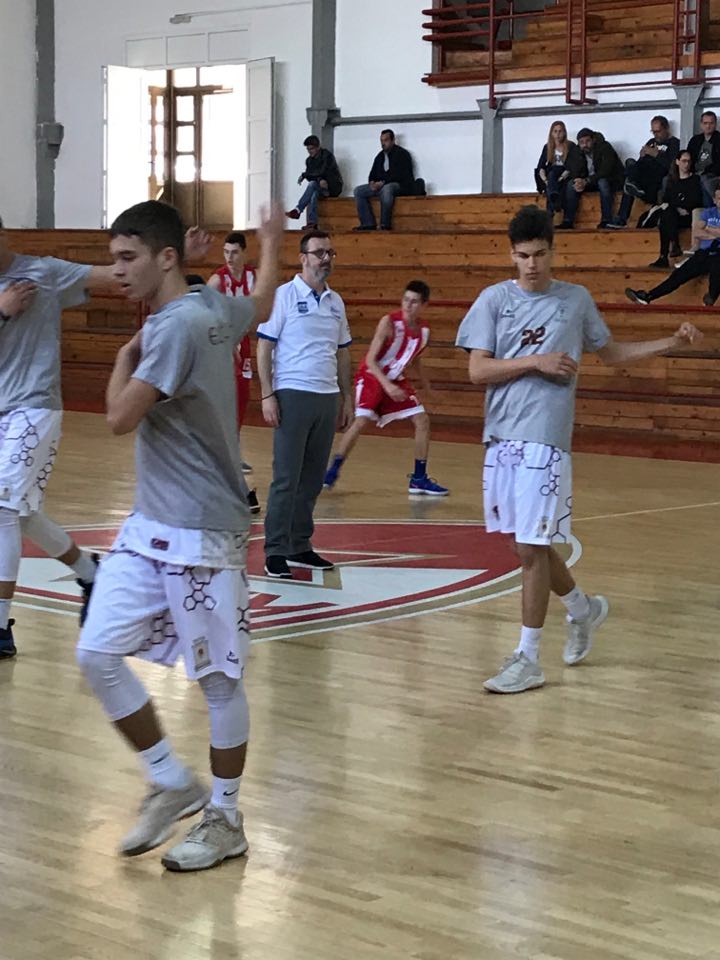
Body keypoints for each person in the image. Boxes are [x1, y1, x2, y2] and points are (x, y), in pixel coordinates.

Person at [76, 199, 282, 872]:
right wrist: (274, 241)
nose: (116, 271)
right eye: (112, 259)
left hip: (202, 531)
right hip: (150, 526)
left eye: (127, 258)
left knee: (218, 683)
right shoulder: (214, 306)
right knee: (97, 653)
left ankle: (226, 817)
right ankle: (170, 780)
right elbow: (262, 301)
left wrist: (122, 356)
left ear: (165, 258)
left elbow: (118, 417)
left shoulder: (173, 329)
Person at [456, 204, 701, 694]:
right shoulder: (493, 300)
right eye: (523, 256)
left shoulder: (575, 299)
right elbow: (477, 371)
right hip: (501, 438)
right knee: (526, 545)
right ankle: (583, 610)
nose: (532, 264)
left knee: (530, 549)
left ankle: (528, 658)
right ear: (511, 255)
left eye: (540, 254)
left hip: (546, 439)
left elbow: (612, 353)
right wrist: (536, 362)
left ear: (553, 251)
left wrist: (669, 343)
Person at [0, 215, 138, 657]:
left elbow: (109, 274)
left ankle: (0, 628)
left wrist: (169, 255)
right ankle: (92, 574)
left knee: (3, 507)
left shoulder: (42, 271)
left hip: (34, 406)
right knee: (22, 514)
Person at [257, 230, 353, 579]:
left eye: (330, 252)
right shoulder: (283, 296)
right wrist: (267, 394)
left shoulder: (335, 302)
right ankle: (275, 549)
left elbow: (342, 353)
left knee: (312, 479)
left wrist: (347, 397)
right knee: (286, 477)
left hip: (326, 397)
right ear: (303, 258)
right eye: (319, 252)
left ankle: (299, 544)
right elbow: (264, 347)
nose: (326, 258)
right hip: (292, 394)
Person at [324, 280, 449, 496]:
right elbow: (371, 360)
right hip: (372, 376)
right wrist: (388, 386)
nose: (408, 305)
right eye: (405, 300)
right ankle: (332, 470)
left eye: (414, 302)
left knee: (422, 420)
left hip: (395, 379)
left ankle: (419, 478)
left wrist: (427, 387)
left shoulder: (424, 332)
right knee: (361, 421)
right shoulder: (389, 322)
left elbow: (415, 359)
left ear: (424, 305)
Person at [207, 231, 261, 513]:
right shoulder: (218, 280)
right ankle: (221, 463)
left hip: (244, 344)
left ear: (244, 253)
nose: (229, 257)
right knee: (224, 405)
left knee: (241, 401)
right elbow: (204, 313)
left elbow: (262, 309)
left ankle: (232, 453)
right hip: (222, 346)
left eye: (234, 252)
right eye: (226, 252)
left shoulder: (253, 277)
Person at [626, 184, 720, 307]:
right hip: (704, 252)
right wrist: (716, 233)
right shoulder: (708, 213)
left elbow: (703, 231)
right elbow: (697, 232)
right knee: (678, 275)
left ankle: (711, 297)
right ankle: (648, 296)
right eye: (718, 198)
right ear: (714, 200)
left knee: (717, 269)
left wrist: (708, 230)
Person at [608, 116, 680, 228]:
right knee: (630, 163)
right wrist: (642, 156)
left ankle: (633, 190)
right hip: (643, 172)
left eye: (658, 131)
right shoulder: (651, 142)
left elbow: (672, 166)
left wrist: (656, 155)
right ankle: (622, 215)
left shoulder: (674, 143)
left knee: (630, 179)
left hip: (656, 177)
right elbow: (640, 162)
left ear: (666, 129)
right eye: (653, 132)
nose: (655, 135)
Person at [646, 150, 703, 269]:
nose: (686, 164)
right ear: (677, 162)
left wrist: (677, 206)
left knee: (666, 218)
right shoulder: (671, 181)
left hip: (688, 215)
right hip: (674, 215)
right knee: (667, 214)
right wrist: (676, 207)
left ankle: (665, 255)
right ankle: (674, 244)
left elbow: (696, 200)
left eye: (688, 161)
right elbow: (666, 199)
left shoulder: (695, 179)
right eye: (684, 161)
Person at [353, 129, 416, 232]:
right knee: (358, 191)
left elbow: (399, 175)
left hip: (400, 186)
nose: (383, 143)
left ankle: (384, 224)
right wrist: (372, 183)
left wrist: (382, 183)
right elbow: (372, 174)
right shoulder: (380, 156)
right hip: (380, 185)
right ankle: (367, 223)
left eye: (386, 140)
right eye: (381, 141)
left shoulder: (402, 154)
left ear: (393, 140)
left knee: (387, 189)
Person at [533, 121, 586, 229]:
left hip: (566, 175)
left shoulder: (571, 146)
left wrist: (561, 178)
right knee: (551, 176)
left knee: (558, 181)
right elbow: (541, 167)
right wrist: (545, 180)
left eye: (560, 131)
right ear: (551, 133)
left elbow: (573, 166)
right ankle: (553, 201)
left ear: (564, 132)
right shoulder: (547, 147)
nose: (558, 134)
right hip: (552, 178)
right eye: (555, 131)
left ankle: (560, 216)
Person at [285, 135, 343, 230]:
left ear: (318, 147)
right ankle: (312, 223)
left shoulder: (327, 156)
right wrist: (318, 179)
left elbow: (323, 172)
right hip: (319, 187)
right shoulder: (309, 161)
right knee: (314, 193)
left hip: (332, 186)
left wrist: (305, 175)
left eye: (311, 149)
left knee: (312, 184)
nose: (310, 151)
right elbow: (312, 176)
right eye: (308, 149)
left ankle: (298, 210)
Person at [571, 128, 625, 229]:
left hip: (611, 181)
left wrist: (586, 181)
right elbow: (573, 169)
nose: (585, 145)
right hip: (589, 182)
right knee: (571, 184)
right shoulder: (577, 151)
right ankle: (568, 221)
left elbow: (606, 171)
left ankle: (606, 219)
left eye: (587, 141)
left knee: (602, 182)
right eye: (582, 142)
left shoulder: (604, 147)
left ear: (593, 140)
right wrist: (578, 181)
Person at [686, 110, 720, 206]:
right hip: (694, 172)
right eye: (705, 123)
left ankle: (709, 209)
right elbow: (688, 157)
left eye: (711, 123)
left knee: (704, 180)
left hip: (712, 174)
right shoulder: (695, 140)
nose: (708, 126)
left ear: (715, 124)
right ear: (701, 124)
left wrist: (705, 171)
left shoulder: (719, 139)